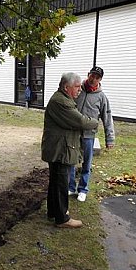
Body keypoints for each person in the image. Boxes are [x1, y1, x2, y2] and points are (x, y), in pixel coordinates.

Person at [41, 72, 98, 228]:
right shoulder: (61, 102)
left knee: (56, 182)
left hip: (59, 148)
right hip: (60, 150)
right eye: (77, 87)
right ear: (66, 87)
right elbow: (79, 121)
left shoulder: (64, 99)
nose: (80, 90)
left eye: (80, 86)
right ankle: (62, 218)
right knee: (61, 183)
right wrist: (94, 122)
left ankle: (53, 212)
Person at [68, 66, 115, 202]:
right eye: (92, 75)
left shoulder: (101, 97)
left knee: (86, 163)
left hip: (89, 135)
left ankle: (83, 189)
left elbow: (107, 117)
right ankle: (71, 187)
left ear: (100, 79)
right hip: (74, 133)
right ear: (88, 75)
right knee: (71, 160)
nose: (93, 79)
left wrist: (110, 138)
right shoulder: (78, 90)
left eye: (97, 77)